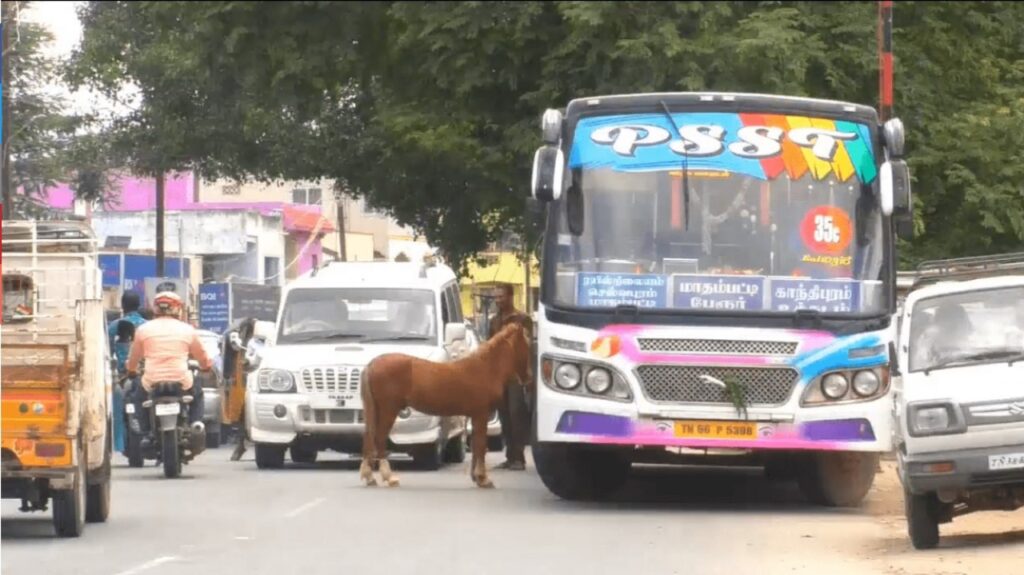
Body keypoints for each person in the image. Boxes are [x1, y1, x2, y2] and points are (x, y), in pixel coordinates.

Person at [126, 291, 214, 445]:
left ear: (155, 308)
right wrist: (206, 367)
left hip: (151, 380)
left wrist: (131, 370)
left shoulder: (143, 329)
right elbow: (202, 357)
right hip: (181, 379)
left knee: (137, 397)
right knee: (198, 393)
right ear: (178, 309)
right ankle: (195, 423)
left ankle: (146, 431)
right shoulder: (187, 330)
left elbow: (134, 358)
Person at [488, 283, 534, 471]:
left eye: (501, 296)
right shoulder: (494, 321)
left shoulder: (523, 319)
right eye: (496, 297)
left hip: (517, 374)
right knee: (504, 416)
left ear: (510, 296)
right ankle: (509, 456)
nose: (498, 300)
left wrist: (529, 375)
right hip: (500, 375)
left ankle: (519, 458)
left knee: (516, 414)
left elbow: (528, 348)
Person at [107, 291, 148, 454]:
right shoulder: (147, 326)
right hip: (145, 373)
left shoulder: (114, 326)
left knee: (115, 405)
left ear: (123, 306)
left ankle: (119, 442)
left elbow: (107, 351)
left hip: (121, 374)